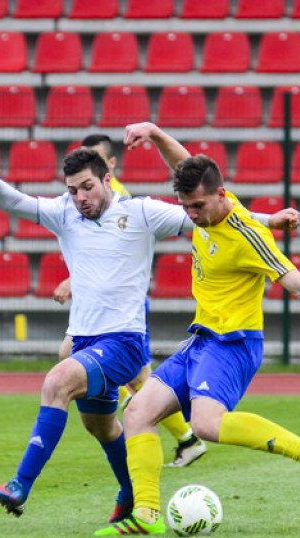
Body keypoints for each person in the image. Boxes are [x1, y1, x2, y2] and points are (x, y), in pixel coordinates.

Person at [0, 148, 298, 524]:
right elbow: (17, 203)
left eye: (87, 187)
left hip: (123, 341)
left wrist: (268, 219)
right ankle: (129, 495)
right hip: (84, 340)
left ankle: (20, 485)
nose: (80, 198)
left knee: (57, 382)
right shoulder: (65, 213)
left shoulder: (140, 212)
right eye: (73, 190)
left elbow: (214, 217)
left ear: (108, 179)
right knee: (102, 427)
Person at [96, 123, 300, 537]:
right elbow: (186, 164)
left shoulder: (249, 235)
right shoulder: (213, 202)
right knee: (138, 412)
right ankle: (146, 516)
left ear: (219, 195)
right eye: (185, 207)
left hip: (233, 344)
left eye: (197, 206)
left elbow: (299, 284)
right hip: (201, 339)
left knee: (206, 425)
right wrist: (156, 133)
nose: (191, 216)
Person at [54, 133, 208, 469]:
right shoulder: (90, 196)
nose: (82, 189)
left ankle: (183, 435)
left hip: (123, 306)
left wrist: (72, 280)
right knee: (126, 372)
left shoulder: (116, 198)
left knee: (117, 371)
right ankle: (185, 437)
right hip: (107, 306)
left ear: (109, 166)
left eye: (94, 159)